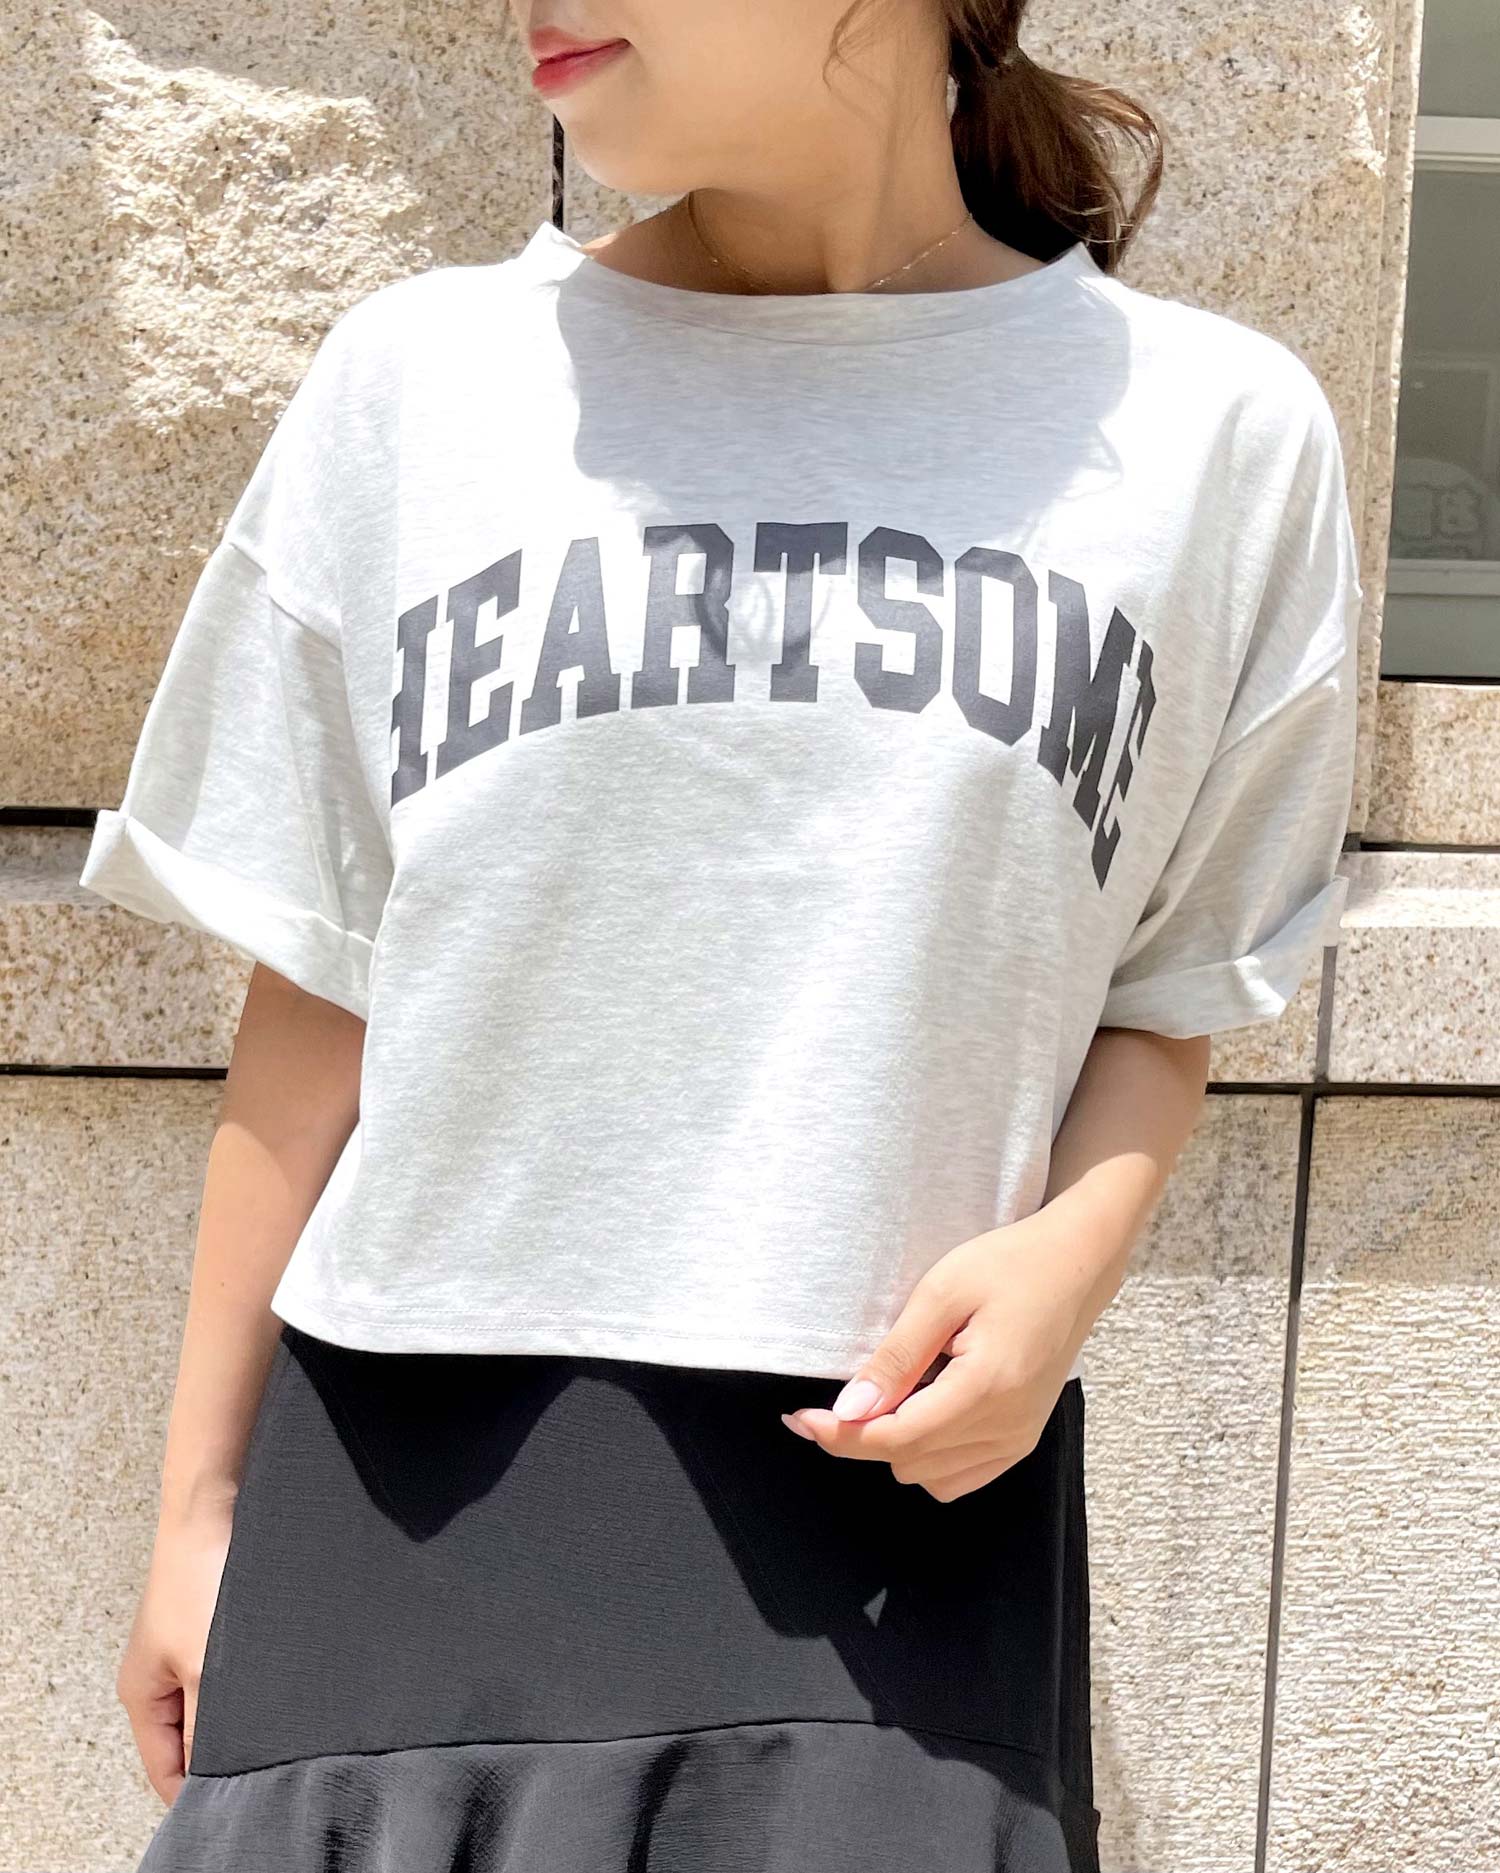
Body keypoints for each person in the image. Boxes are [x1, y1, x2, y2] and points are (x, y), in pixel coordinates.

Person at [77, 1, 1363, 1867]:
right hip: (391, 1509)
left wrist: (1067, 1262)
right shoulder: (422, 383)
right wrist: (199, 1508)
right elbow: (323, 983)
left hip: (890, 1537)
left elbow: (1174, 984)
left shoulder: (1215, 436)